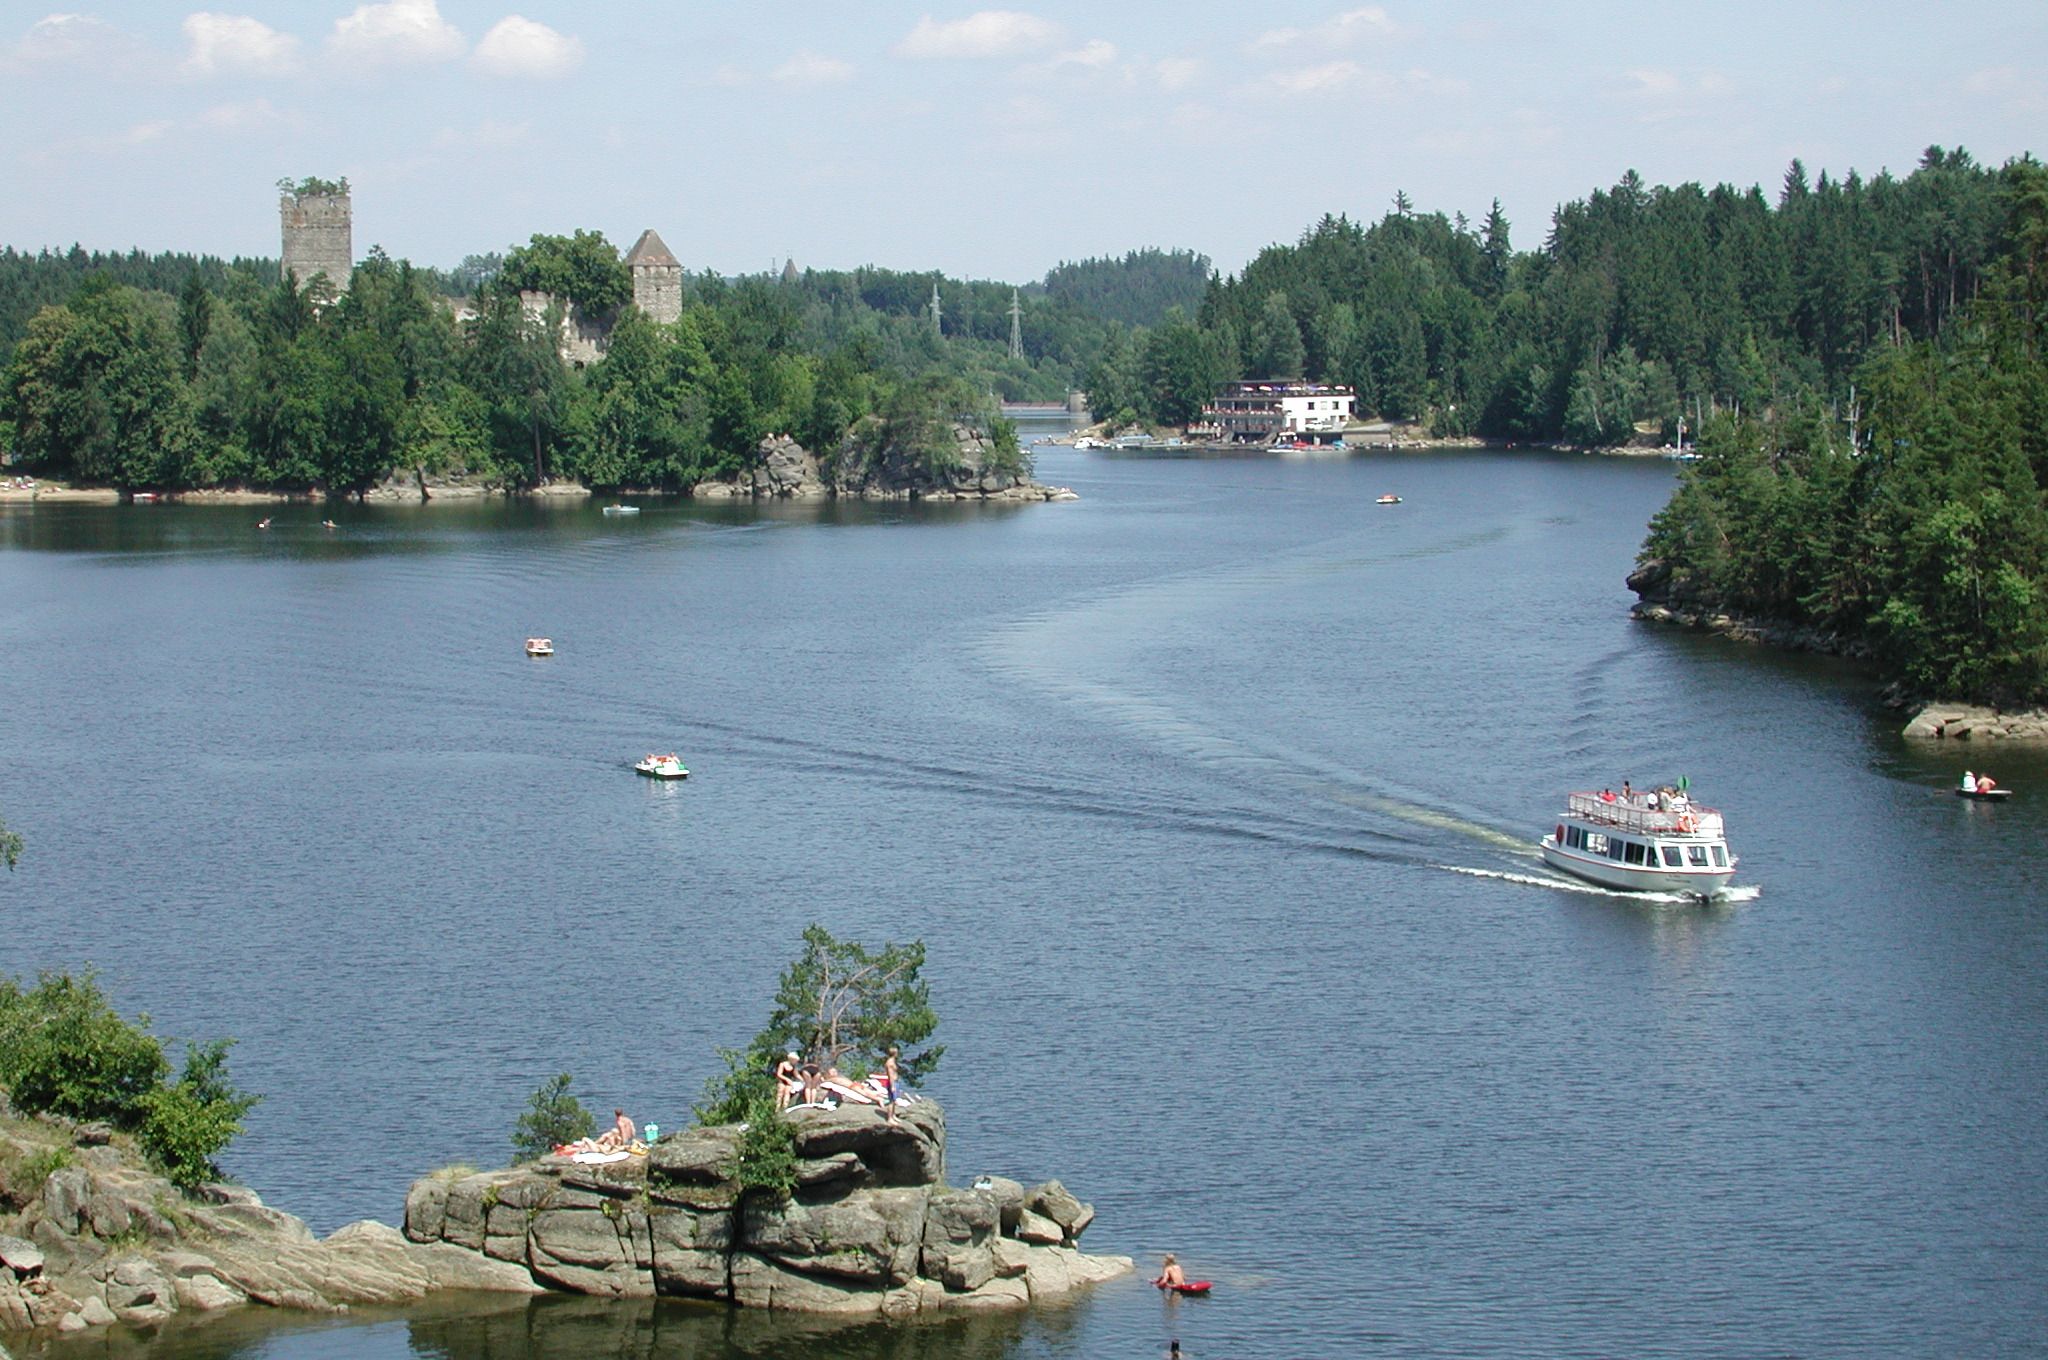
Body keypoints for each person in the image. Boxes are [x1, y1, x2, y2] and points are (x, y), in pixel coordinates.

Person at [879, 1046, 902, 1125]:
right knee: (891, 1101)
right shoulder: (890, 1063)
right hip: (892, 1083)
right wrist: (892, 1086)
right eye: (897, 1053)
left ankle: (893, 1115)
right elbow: (890, 1075)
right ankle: (889, 1118)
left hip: (895, 1082)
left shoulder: (893, 1061)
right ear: (894, 1054)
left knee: (894, 1100)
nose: (898, 1054)